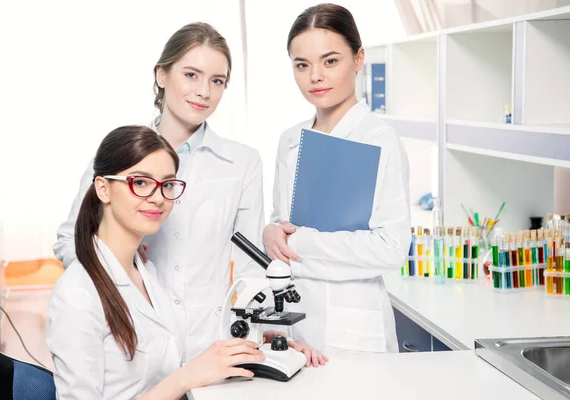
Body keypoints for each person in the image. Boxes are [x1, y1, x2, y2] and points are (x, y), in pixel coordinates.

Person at [53, 22, 266, 363]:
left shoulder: (242, 163)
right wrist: (124, 265)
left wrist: (258, 336)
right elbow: (69, 241)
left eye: (217, 81)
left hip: (208, 344)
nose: (204, 92)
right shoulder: (121, 154)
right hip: (129, 341)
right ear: (162, 75)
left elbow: (249, 270)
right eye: (191, 75)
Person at [46, 126, 266, 400]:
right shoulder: (77, 295)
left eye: (168, 184)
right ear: (103, 188)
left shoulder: (144, 271)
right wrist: (186, 378)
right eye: (140, 182)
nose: (158, 197)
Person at [263, 3, 412, 361]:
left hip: (354, 329)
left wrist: (300, 244)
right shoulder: (290, 139)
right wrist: (270, 231)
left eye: (330, 61)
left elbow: (391, 247)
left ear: (358, 59)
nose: (315, 76)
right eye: (302, 65)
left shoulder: (378, 139)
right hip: (295, 324)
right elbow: (282, 220)